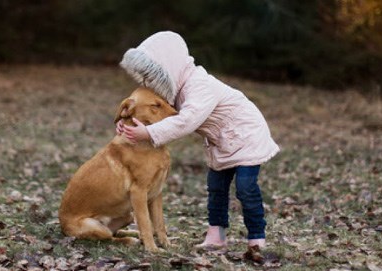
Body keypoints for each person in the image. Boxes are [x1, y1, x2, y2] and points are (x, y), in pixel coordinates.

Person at [116, 31, 280, 249]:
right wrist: (127, 122)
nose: (151, 83)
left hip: (247, 135)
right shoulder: (175, 91)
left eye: (154, 76)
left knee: (246, 188)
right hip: (221, 142)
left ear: (170, 68)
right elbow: (153, 110)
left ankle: (257, 238)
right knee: (216, 188)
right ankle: (216, 235)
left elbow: (185, 121)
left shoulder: (200, 86)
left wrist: (148, 134)